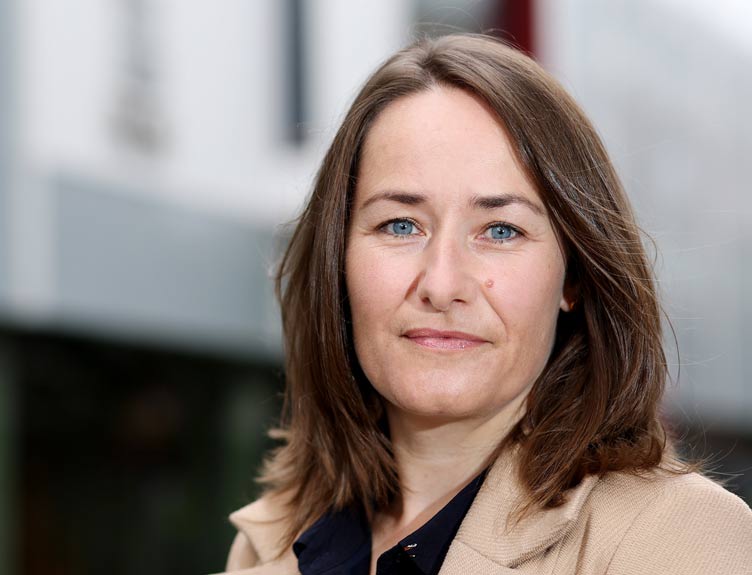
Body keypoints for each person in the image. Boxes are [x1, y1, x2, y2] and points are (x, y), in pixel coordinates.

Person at [218, 34, 752, 575]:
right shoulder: (269, 546)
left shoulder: (679, 541)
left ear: (574, 279)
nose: (442, 283)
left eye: (500, 230)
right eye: (400, 225)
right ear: (339, 262)